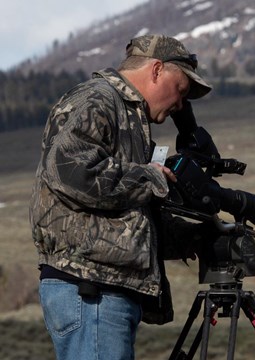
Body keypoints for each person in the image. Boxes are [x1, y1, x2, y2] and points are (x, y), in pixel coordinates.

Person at [29, 34, 213, 360]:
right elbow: (72, 173)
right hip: (91, 291)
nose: (180, 105)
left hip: (103, 291)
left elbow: (124, 217)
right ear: (156, 70)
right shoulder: (97, 100)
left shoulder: (130, 118)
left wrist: (192, 237)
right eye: (181, 90)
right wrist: (151, 176)